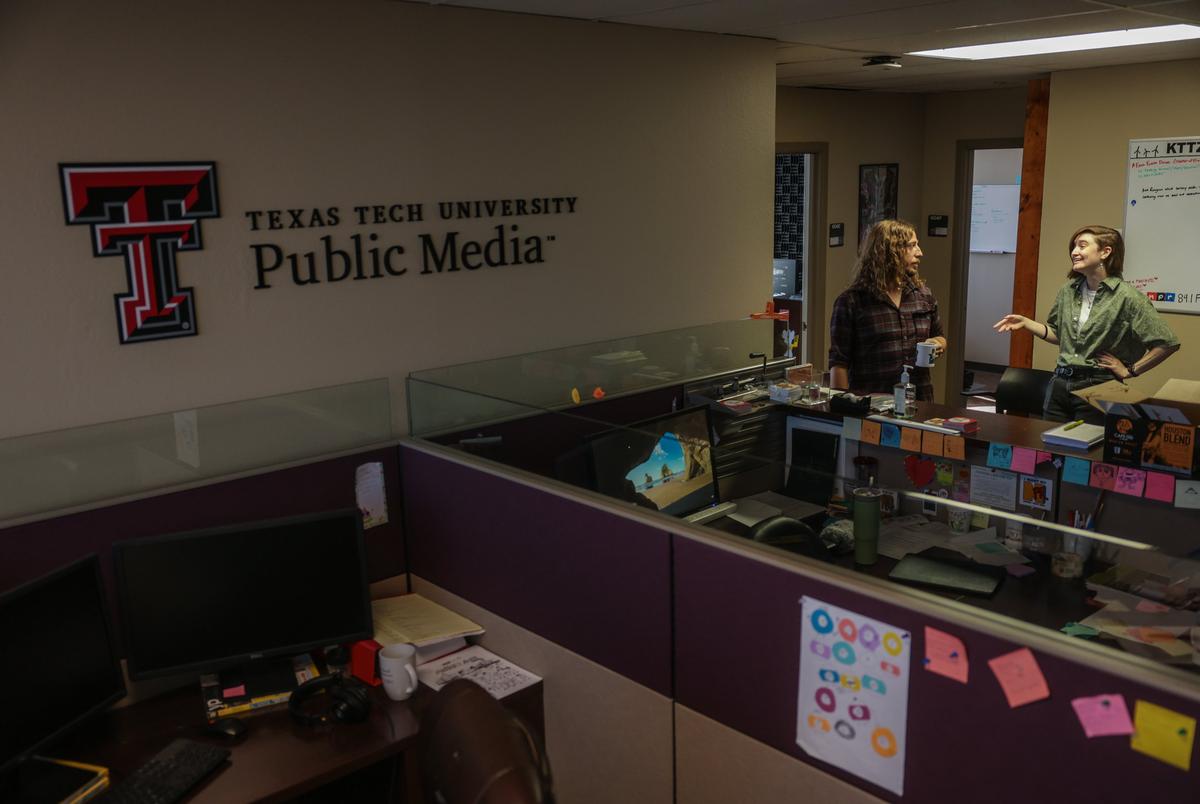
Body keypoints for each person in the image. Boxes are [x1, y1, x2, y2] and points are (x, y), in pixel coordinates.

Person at [994, 225, 1179, 423]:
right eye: (1074, 247)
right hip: (1059, 385)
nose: (1074, 252)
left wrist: (1130, 370)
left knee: (1087, 451)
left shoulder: (1128, 297)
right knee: (1050, 449)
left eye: (1082, 246)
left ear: (1105, 252)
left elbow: (1167, 343)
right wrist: (1026, 323)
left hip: (1099, 386)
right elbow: (1060, 336)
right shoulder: (1068, 290)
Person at [829, 219, 946, 401]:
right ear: (891, 251)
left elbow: (940, 336)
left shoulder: (923, 296)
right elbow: (839, 363)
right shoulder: (851, 302)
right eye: (912, 246)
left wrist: (938, 344)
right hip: (872, 407)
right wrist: (842, 409)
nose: (920, 253)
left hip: (919, 402)